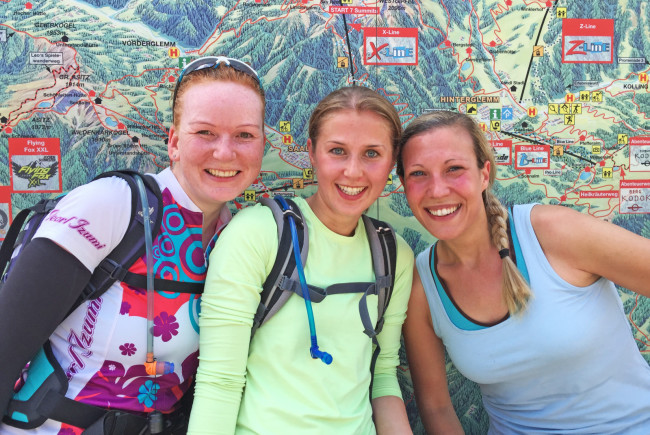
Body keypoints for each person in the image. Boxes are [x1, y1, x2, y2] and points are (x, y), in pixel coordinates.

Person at [0, 56, 267, 434]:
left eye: (244, 135)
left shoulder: (240, 237)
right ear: (174, 142)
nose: (225, 152)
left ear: (261, 145)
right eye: (205, 132)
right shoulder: (113, 205)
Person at [398, 110, 650, 434]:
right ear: (404, 186)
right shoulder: (423, 284)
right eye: (419, 174)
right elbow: (436, 407)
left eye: (454, 169)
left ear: (484, 174)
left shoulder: (552, 234)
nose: (437, 189)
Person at [187, 86, 414, 435]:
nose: (353, 172)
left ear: (392, 160)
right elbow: (219, 381)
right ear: (311, 152)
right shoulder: (257, 234)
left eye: (372, 153)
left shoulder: (393, 254)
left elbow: (383, 374)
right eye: (337, 151)